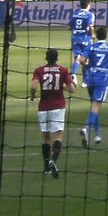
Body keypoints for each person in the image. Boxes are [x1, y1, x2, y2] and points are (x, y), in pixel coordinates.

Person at [29, 48, 75, 178]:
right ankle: (53, 162)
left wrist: (32, 96)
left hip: (43, 107)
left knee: (45, 137)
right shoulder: (63, 70)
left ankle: (46, 168)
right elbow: (72, 89)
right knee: (58, 136)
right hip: (58, 106)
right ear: (57, 58)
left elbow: (33, 86)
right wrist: (62, 87)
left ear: (46, 58)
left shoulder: (39, 70)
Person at [79, 26, 108, 147]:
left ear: (97, 35)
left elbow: (81, 59)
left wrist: (88, 67)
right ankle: (86, 128)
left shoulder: (91, 46)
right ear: (106, 35)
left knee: (94, 106)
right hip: (102, 81)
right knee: (95, 107)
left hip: (90, 79)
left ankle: (97, 135)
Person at [68, 0, 96, 75]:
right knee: (87, 60)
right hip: (86, 38)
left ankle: (73, 75)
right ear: (88, 5)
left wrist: (76, 30)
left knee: (78, 59)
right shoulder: (90, 14)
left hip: (75, 39)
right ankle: (87, 78)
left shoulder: (75, 13)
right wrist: (93, 34)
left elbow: (68, 27)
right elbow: (90, 26)